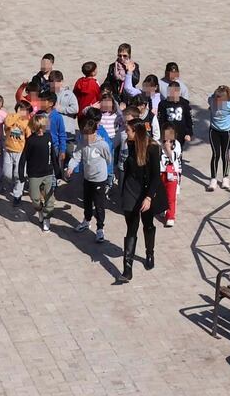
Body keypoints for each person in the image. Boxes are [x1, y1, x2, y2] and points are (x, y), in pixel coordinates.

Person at [112, 120, 168, 282]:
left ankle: (149, 253)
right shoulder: (128, 144)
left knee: (148, 224)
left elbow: (155, 176)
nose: (126, 133)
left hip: (147, 190)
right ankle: (127, 270)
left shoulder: (152, 148)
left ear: (137, 132)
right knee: (131, 227)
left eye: (128, 130)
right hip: (131, 188)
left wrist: (149, 197)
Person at [65, 112, 115, 243]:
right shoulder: (82, 143)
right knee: (87, 202)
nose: (86, 138)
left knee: (99, 205)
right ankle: (86, 221)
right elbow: (76, 156)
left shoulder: (102, 144)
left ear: (94, 133)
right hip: (87, 178)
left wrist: (105, 172)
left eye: (88, 135)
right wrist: (70, 168)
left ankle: (100, 229)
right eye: (84, 135)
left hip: (99, 179)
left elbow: (108, 159)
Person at [25, 89, 70, 230]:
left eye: (43, 100)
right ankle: (40, 205)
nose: (40, 102)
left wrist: (62, 150)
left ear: (51, 103)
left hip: (53, 149)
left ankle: (47, 212)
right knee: (36, 190)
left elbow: (62, 134)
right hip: (38, 151)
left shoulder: (57, 117)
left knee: (51, 182)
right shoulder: (38, 115)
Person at [156, 79, 194, 187]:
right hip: (167, 134)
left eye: (175, 91)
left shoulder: (184, 104)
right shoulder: (163, 104)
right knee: (165, 154)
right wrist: (161, 134)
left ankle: (177, 176)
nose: (173, 94)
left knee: (178, 155)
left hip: (181, 135)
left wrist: (189, 133)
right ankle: (165, 176)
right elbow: (160, 120)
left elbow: (190, 119)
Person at [205, 85, 230, 191]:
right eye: (216, 99)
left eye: (221, 100)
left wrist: (228, 95)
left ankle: (225, 177)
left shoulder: (229, 106)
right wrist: (218, 92)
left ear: (226, 100)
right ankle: (213, 179)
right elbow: (210, 97)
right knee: (215, 154)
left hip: (226, 132)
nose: (218, 102)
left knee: (225, 154)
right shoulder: (212, 101)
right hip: (214, 131)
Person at [0, 100, 32, 208]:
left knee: (19, 174)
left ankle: (17, 195)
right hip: (8, 150)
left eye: (25, 110)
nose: (23, 112)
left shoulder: (27, 122)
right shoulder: (10, 117)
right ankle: (16, 184)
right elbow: (7, 124)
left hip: (20, 152)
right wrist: (18, 115)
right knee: (7, 174)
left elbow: (29, 136)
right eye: (21, 109)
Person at [158, 123, 184, 229]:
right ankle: (162, 209)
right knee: (161, 194)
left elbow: (173, 158)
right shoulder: (158, 143)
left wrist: (168, 148)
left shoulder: (177, 144)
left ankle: (170, 217)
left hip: (172, 173)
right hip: (161, 172)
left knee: (171, 196)